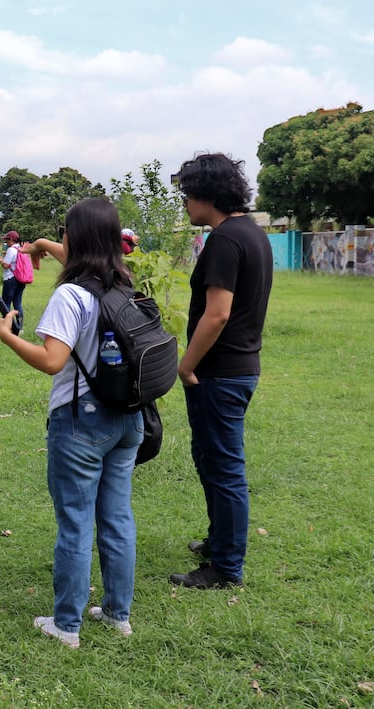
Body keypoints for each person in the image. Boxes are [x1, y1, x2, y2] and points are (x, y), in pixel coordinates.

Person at [0, 197, 143, 648]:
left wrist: (7, 337)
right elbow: (79, 259)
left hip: (82, 421)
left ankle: (67, 626)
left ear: (73, 237)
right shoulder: (124, 285)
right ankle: (117, 614)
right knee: (116, 517)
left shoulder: (71, 295)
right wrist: (44, 244)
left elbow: (52, 360)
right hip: (128, 418)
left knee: (76, 522)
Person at [169, 153, 273, 590]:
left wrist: (186, 365)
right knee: (210, 459)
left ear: (206, 194)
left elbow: (218, 314)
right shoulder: (251, 232)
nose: (185, 204)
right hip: (237, 368)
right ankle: (219, 542)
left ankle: (226, 567)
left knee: (224, 468)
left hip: (220, 373)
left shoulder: (226, 240)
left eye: (187, 195)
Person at [0, 230, 26, 334]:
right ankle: (20, 327)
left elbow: (6, 265)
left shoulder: (11, 250)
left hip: (10, 279)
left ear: (11, 240)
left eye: (7, 240)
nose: (6, 242)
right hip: (20, 279)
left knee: (5, 304)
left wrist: (1, 260)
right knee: (18, 304)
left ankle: (6, 327)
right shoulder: (21, 248)